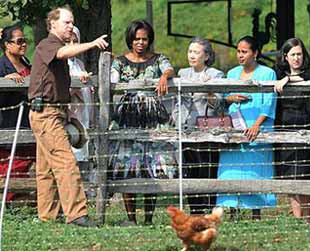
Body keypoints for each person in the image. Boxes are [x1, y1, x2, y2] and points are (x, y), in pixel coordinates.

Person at [28, 5, 108, 227]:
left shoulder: (56, 48)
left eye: (72, 22)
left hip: (51, 112)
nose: (71, 27)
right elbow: (62, 53)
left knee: (45, 170)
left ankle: (47, 217)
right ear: (53, 24)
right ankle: (77, 215)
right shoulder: (48, 45)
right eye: (67, 22)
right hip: (46, 114)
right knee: (66, 163)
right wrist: (92, 44)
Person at [109, 19, 176, 226]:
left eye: (144, 39)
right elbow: (112, 79)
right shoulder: (119, 61)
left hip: (152, 115)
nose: (140, 43)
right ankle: (131, 218)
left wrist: (164, 76)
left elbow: (169, 68)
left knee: (151, 166)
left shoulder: (158, 59)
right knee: (127, 165)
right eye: (137, 39)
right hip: (128, 114)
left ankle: (148, 218)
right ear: (130, 39)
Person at [216, 36, 277, 220]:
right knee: (232, 169)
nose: (240, 55)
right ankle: (233, 210)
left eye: (244, 51)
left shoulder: (268, 74)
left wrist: (256, 125)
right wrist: (230, 98)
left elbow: (269, 102)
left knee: (255, 169)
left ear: (255, 53)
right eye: (238, 51)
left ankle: (256, 212)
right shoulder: (232, 73)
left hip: (257, 128)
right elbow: (223, 98)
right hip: (234, 128)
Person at [172, 37, 224, 215]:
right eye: (190, 51)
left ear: (207, 56)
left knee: (207, 168)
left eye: (196, 52)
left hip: (207, 129)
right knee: (189, 170)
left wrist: (208, 87)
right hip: (186, 128)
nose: (192, 55)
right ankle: (194, 210)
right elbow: (177, 101)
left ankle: (208, 210)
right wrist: (178, 119)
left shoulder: (216, 74)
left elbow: (218, 103)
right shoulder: (183, 73)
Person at [273, 38, 310, 223]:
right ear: (285, 56)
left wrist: (288, 79)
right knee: (289, 176)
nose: (296, 58)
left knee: (304, 176)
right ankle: (297, 218)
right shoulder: (277, 75)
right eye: (293, 54)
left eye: (299, 54)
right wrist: (283, 78)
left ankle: (308, 218)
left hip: (306, 130)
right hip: (284, 132)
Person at [0, 23, 35, 204]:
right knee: (11, 168)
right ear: (7, 44)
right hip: (9, 124)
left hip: (29, 124)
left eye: (25, 41)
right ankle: (9, 203)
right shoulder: (1, 67)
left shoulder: (26, 63)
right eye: (19, 41)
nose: (23, 45)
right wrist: (4, 82)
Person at [67, 26, 94, 184]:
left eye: (75, 41)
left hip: (84, 116)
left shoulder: (79, 64)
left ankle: (84, 193)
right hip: (71, 117)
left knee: (83, 153)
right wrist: (76, 83)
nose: (72, 44)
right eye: (67, 41)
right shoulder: (61, 64)